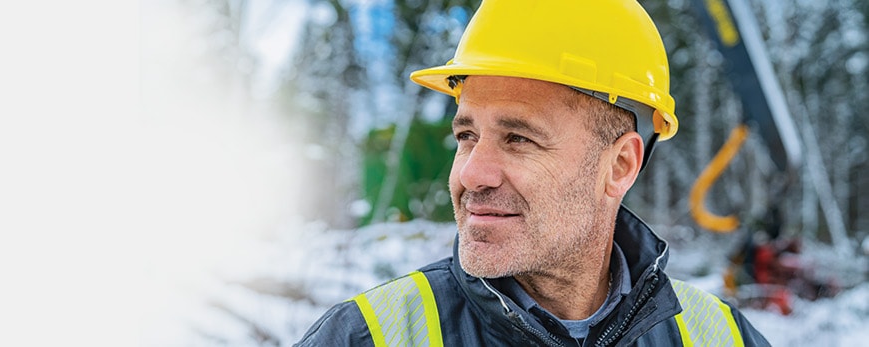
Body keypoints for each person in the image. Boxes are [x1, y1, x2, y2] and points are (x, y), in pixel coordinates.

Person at [294, 0, 770, 346]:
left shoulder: (718, 337)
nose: (472, 174)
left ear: (620, 166)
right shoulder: (368, 337)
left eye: (518, 139)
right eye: (466, 136)